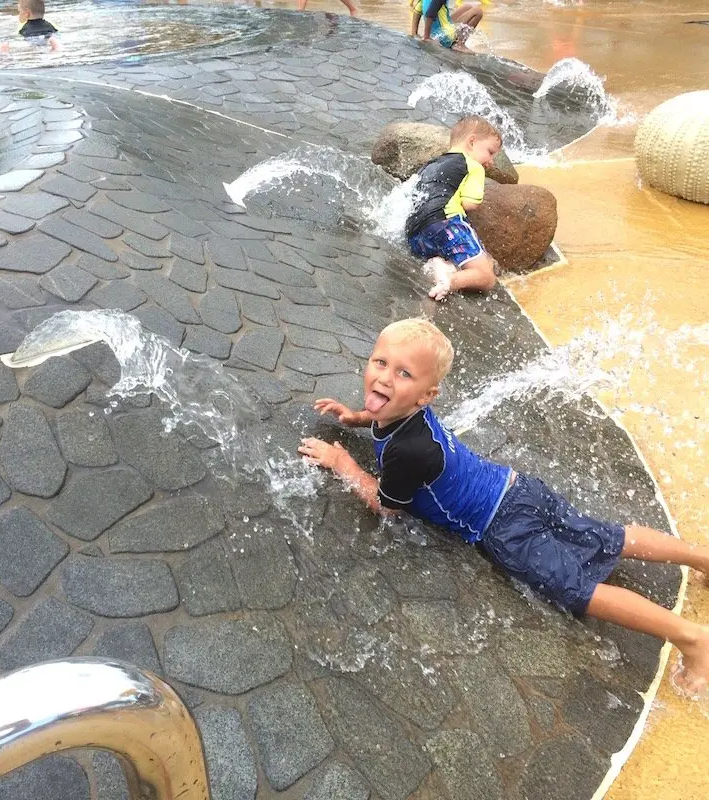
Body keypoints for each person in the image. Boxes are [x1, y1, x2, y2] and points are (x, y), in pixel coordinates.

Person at [298, 317, 709, 695]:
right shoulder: (408, 417)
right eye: (380, 362)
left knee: (577, 592)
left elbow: (385, 505)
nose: (385, 378)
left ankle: (691, 638)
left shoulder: (409, 452)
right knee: (607, 535)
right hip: (517, 487)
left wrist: (342, 462)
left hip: (502, 527)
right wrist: (356, 418)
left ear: (427, 395)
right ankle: (701, 557)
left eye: (403, 373)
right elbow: (389, 415)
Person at [405, 115, 501, 300]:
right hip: (446, 221)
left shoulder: (431, 165)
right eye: (490, 152)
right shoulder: (473, 166)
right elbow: (470, 203)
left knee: (452, 257)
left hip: (416, 234)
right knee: (486, 277)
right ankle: (450, 281)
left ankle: (438, 264)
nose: (491, 162)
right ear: (472, 142)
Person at [410, 0, 483, 50]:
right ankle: (459, 44)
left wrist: (414, 33)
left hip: (437, 31)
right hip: (446, 36)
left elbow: (417, 10)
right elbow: (430, 14)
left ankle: (457, 42)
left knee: (468, 7)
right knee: (478, 11)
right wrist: (426, 37)